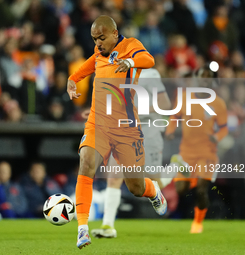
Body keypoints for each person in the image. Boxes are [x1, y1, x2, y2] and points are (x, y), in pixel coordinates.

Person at [67, 15, 167, 249]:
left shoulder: (130, 46)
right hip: (98, 123)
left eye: (101, 38)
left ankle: (153, 190)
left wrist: (131, 63)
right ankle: (82, 229)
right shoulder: (100, 52)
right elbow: (92, 62)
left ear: (114, 33)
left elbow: (148, 60)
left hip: (126, 128)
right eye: (94, 39)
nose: (98, 43)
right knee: (86, 164)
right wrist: (73, 78)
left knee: (135, 187)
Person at [90, 68, 172, 238]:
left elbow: (165, 105)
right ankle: (108, 226)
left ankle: (176, 167)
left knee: (153, 180)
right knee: (114, 176)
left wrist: (137, 109)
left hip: (147, 130)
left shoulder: (150, 74)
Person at [165, 66, 228, 233]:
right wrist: (170, 131)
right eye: (202, 76)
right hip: (186, 153)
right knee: (181, 190)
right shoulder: (185, 98)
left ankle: (198, 223)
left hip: (207, 154)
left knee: (201, 190)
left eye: (208, 77)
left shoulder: (218, 103)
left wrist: (217, 137)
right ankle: (191, 177)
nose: (204, 80)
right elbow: (174, 117)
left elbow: (224, 128)